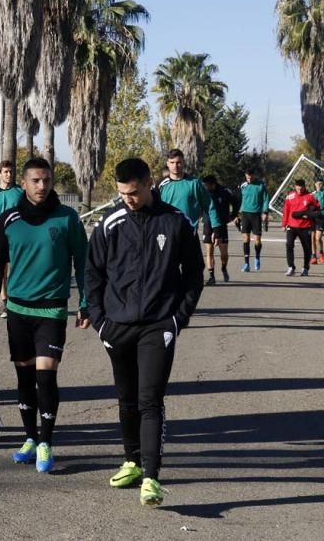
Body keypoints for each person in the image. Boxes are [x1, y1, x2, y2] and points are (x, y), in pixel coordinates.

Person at [86, 158, 204, 507]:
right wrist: (100, 322)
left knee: (150, 401)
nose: (128, 199)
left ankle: (151, 477)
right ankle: (132, 462)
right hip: (117, 326)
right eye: (122, 193)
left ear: (150, 183)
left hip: (157, 326)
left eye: (134, 192)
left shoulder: (175, 221)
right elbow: (92, 276)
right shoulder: (110, 223)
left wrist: (176, 321)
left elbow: (194, 275)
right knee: (127, 400)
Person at [0, 157, 88, 474]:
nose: (42, 186)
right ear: (24, 184)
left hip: (52, 309)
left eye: (46, 180)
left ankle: (46, 442)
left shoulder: (68, 218)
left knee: (46, 376)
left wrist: (87, 301)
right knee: (25, 378)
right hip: (17, 310)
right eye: (35, 181)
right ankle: (29, 438)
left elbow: (83, 263)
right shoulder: (7, 219)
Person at [0, 160, 25, 315]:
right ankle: (5, 302)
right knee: (1, 270)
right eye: (6, 172)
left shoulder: (20, 192)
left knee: (16, 268)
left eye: (11, 171)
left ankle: (18, 299)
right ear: (0, 174)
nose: (9, 175)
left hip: (17, 237)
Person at [200, 175, 237, 284]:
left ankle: (223, 268)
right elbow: (196, 202)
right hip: (207, 224)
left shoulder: (225, 191)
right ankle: (212, 277)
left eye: (207, 186)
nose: (205, 187)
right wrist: (200, 214)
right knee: (209, 251)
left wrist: (233, 215)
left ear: (213, 184)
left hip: (221, 225)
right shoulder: (203, 192)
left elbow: (235, 201)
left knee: (223, 253)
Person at [281, 179, 319, 277]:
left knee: (307, 249)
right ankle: (291, 267)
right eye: (298, 186)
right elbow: (286, 210)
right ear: (295, 186)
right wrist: (284, 224)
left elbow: (317, 209)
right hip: (292, 225)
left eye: (301, 186)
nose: (299, 188)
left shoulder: (310, 197)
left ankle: (305, 268)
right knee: (289, 245)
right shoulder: (290, 196)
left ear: (304, 187)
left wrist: (310, 215)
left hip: (305, 226)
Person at [237, 168, 270, 272]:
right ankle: (246, 263)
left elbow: (265, 199)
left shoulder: (261, 185)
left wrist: (265, 212)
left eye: (250, 176)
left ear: (254, 175)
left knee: (257, 240)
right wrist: (237, 214)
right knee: (246, 238)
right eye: (247, 176)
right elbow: (239, 200)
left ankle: (257, 257)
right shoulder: (243, 186)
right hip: (245, 214)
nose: (249, 178)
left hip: (256, 215)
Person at [312, 180, 324, 263]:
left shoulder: (323, 193)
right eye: (317, 184)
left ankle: (321, 253)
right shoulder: (312, 195)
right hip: (314, 217)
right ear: (315, 184)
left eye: (320, 184)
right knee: (314, 237)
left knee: (318, 238)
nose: (319, 185)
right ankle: (314, 256)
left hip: (322, 217)